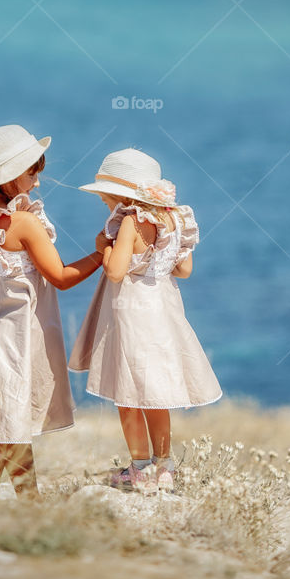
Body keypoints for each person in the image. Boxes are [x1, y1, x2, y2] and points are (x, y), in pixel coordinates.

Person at [0, 124, 103, 497]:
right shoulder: (24, 223)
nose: (37, 182)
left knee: (3, 429)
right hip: (21, 337)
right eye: (32, 172)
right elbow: (62, 277)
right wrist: (101, 254)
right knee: (6, 432)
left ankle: (10, 502)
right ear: (7, 177)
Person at [69, 148, 222, 493]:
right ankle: (164, 468)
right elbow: (184, 269)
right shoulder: (174, 219)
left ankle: (139, 469)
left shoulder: (129, 222)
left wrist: (103, 247)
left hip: (131, 312)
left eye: (106, 198)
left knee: (128, 394)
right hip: (163, 308)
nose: (106, 204)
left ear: (121, 195)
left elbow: (116, 272)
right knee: (157, 394)